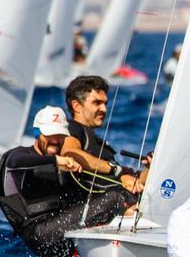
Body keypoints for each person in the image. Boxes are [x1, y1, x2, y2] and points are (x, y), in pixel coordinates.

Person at [0, 107, 134, 257]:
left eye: (60, 136)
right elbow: (15, 162)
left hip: (62, 240)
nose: (55, 140)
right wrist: (56, 161)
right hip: (39, 234)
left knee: (117, 195)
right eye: (50, 134)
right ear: (37, 133)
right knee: (115, 200)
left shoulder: (65, 165)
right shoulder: (20, 157)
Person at [62, 75, 147, 204]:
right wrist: (116, 170)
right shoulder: (72, 128)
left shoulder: (98, 142)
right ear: (77, 106)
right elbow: (69, 153)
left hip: (118, 202)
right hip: (92, 208)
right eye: (97, 103)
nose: (104, 109)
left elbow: (134, 182)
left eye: (105, 103)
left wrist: (151, 166)